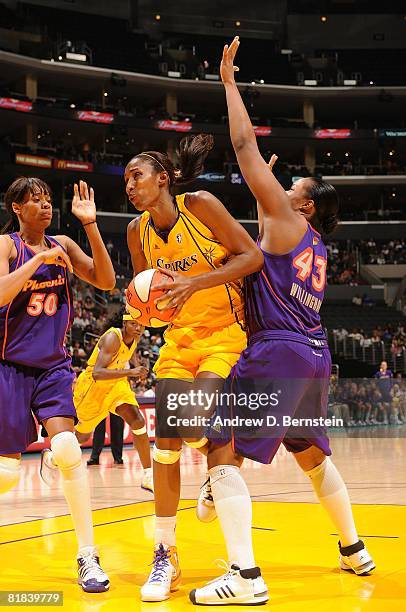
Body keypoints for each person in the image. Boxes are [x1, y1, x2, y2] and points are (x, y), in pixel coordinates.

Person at [190, 38, 375, 606]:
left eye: (291, 186)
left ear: (308, 204)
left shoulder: (289, 219)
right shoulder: (307, 240)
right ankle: (354, 550)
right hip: (313, 353)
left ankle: (244, 579)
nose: (285, 183)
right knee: (312, 453)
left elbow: (244, 145)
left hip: (279, 349)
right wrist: (266, 197)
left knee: (219, 444)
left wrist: (228, 82)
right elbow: (263, 250)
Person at [125, 133, 263, 601]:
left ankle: (221, 463)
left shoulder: (200, 204)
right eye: (126, 180)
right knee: (166, 442)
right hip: (178, 342)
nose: (129, 185)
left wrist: (195, 281)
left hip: (225, 334)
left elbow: (253, 256)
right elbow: (152, 296)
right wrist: (142, 315)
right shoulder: (135, 231)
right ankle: (166, 556)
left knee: (192, 422)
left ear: (163, 179)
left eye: (136, 176)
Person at [0, 177, 115, 592]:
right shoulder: (8, 247)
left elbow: (105, 281)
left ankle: (88, 556)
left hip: (53, 366)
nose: (46, 206)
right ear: (16, 208)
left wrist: (90, 226)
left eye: (48, 200)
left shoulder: (64, 244)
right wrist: (37, 261)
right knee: (7, 475)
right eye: (35, 201)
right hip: (9, 366)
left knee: (67, 448)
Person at [41, 313, 154, 492]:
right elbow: (98, 373)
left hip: (116, 387)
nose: (138, 328)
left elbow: (126, 355)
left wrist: (136, 365)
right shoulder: (112, 337)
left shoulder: (134, 337)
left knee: (138, 421)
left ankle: (148, 475)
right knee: (83, 436)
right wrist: (131, 372)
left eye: (141, 325)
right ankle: (53, 457)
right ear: (125, 323)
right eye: (134, 324)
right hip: (93, 389)